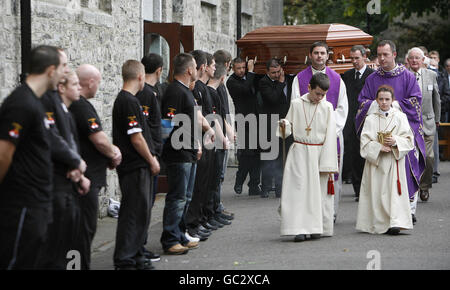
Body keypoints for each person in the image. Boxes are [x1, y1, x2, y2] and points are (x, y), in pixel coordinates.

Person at [0, 45, 66, 269]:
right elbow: (3, 153)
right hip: (22, 205)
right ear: (50, 70)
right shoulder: (21, 103)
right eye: (61, 68)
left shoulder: (36, 103)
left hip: (39, 203)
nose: (63, 74)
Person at [355, 40, 424, 225]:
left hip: (402, 133)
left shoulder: (408, 77)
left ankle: (408, 210)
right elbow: (362, 102)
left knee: (407, 172)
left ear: (394, 54)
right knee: (381, 176)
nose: (382, 58)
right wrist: (376, 105)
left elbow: (416, 102)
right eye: (379, 55)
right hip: (378, 134)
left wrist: (394, 105)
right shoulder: (372, 78)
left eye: (385, 54)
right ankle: (382, 212)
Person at [70, 64, 122, 269]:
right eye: (98, 82)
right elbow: (98, 139)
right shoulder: (80, 106)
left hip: (88, 178)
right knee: (81, 232)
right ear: (90, 82)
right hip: (85, 181)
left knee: (84, 231)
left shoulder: (78, 105)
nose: (98, 87)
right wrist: (113, 153)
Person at [40, 68, 92, 270]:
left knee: (73, 238)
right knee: (57, 248)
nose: (80, 88)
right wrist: (74, 164)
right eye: (75, 85)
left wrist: (78, 170)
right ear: (61, 87)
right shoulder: (50, 109)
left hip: (72, 185)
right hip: (58, 187)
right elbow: (53, 142)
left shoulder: (68, 114)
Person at [291, 41, 348, 220]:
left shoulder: (337, 79)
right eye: (316, 53)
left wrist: (331, 131)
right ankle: (309, 213)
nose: (319, 56)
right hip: (306, 138)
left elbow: (342, 109)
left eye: (323, 53)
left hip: (332, 136)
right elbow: (295, 106)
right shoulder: (299, 79)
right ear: (310, 55)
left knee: (331, 174)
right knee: (307, 176)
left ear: (328, 55)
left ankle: (330, 212)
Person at [112, 60, 160, 270]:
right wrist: (151, 159)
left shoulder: (129, 100)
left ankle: (137, 253)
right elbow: (136, 137)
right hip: (135, 165)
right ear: (140, 77)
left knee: (141, 212)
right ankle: (125, 258)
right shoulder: (128, 101)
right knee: (133, 212)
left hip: (138, 165)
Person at [279, 73, 338, 242]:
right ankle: (298, 228)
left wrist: (327, 162)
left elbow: (330, 135)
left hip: (320, 154)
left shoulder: (327, 108)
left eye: (323, 95)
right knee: (298, 190)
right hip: (299, 152)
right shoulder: (296, 104)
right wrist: (284, 125)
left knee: (318, 193)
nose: (319, 97)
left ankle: (316, 227)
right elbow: (288, 128)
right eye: (317, 93)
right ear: (309, 88)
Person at [356, 85, 414, 235]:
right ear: (376, 100)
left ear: (392, 100)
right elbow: (364, 143)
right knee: (377, 192)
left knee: (394, 193)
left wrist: (395, 141)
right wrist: (378, 147)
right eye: (381, 99)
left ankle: (395, 222)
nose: (384, 102)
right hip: (377, 162)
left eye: (387, 99)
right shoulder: (370, 119)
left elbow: (409, 140)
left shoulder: (400, 117)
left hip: (394, 161)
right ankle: (379, 222)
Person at [160, 53, 203, 255]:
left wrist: (196, 145)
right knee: (177, 198)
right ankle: (170, 238)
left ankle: (180, 232)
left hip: (189, 152)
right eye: (195, 67)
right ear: (189, 70)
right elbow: (167, 124)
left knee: (185, 196)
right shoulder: (175, 92)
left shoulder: (186, 91)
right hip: (178, 154)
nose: (197, 70)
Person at [136, 53, 165, 262]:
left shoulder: (154, 91)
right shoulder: (145, 94)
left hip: (153, 152)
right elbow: (144, 129)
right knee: (142, 206)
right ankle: (137, 248)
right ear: (159, 70)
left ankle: (141, 246)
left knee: (148, 204)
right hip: (146, 157)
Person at [407, 47, 440, 202]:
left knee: (428, 157)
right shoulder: (404, 76)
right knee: (411, 157)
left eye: (417, 58)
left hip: (428, 122)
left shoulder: (431, 75)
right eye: (412, 58)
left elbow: (436, 98)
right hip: (409, 124)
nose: (414, 60)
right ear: (407, 60)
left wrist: (437, 118)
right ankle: (411, 188)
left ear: (422, 60)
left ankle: (424, 186)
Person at [342, 45, 375, 201]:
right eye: (352, 58)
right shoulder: (347, 76)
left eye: (357, 58)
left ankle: (368, 187)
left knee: (366, 155)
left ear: (364, 57)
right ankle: (358, 189)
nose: (354, 61)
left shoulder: (372, 75)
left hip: (367, 119)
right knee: (354, 153)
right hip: (350, 120)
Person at [259, 58, 294, 198]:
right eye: (273, 73)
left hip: (285, 121)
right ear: (267, 71)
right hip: (270, 123)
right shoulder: (263, 82)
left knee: (282, 155)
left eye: (278, 71)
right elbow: (272, 98)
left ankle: (280, 187)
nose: (277, 75)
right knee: (269, 156)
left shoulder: (289, 79)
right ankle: (266, 187)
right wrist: (280, 83)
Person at [227, 57, 261, 196]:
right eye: (239, 68)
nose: (242, 71)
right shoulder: (231, 82)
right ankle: (239, 180)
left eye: (243, 68)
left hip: (258, 119)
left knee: (257, 154)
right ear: (233, 69)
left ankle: (254, 185)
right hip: (244, 120)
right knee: (247, 154)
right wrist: (251, 72)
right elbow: (245, 89)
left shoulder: (251, 77)